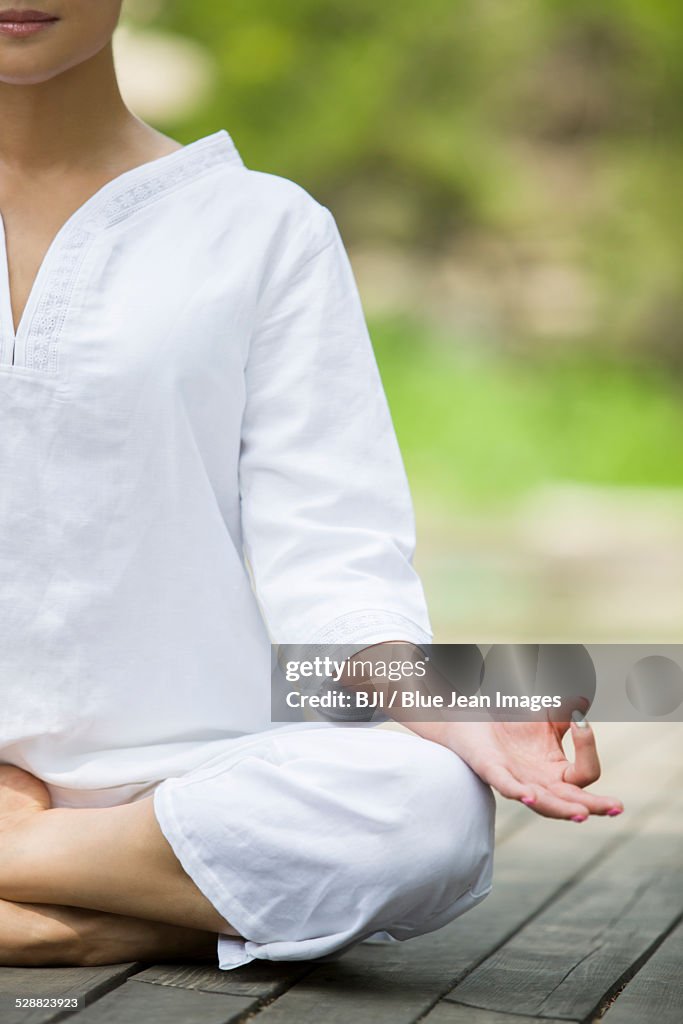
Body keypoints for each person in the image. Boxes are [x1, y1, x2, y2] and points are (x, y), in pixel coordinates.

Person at [0, 2, 622, 970]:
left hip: (193, 774)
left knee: (423, 813)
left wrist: (451, 703)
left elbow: (329, 553)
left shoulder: (262, 228)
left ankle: (29, 864)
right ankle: (133, 917)